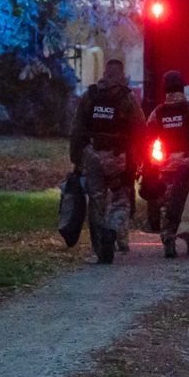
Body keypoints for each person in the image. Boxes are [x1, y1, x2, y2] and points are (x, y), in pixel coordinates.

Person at [69, 58, 143, 264]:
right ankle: (114, 231)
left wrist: (76, 158)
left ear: (104, 73)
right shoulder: (127, 98)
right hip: (119, 156)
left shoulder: (90, 96)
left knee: (96, 201)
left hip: (93, 155)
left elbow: (77, 129)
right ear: (121, 75)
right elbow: (140, 128)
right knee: (120, 198)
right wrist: (140, 157)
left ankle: (101, 249)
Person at [147, 70, 189, 258]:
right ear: (183, 87)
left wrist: (151, 164)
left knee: (168, 204)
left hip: (166, 167)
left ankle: (168, 238)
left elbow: (148, 138)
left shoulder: (158, 112)